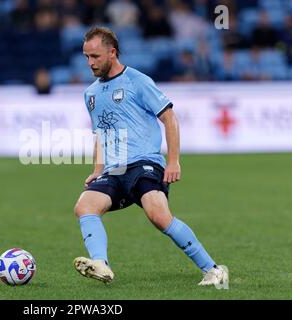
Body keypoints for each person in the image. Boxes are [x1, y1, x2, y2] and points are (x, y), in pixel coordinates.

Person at [73, 27, 228, 286]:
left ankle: (213, 269)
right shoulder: (90, 94)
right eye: (86, 57)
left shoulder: (137, 81)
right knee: (84, 205)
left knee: (158, 215)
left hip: (144, 163)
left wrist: (174, 160)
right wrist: (97, 169)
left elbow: (169, 118)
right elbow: (100, 134)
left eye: (95, 57)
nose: (90, 63)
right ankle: (100, 263)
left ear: (112, 53)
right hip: (114, 171)